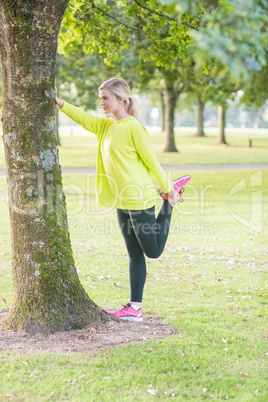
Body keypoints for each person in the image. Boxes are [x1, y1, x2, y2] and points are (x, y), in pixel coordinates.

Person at [55, 78, 191, 322]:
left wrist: (168, 188)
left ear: (121, 100)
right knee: (134, 253)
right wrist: (59, 102)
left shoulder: (133, 127)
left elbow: (151, 161)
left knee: (153, 251)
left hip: (138, 199)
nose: (102, 103)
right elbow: (83, 118)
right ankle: (134, 308)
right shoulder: (106, 127)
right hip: (121, 201)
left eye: (106, 98)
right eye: (101, 98)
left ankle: (169, 201)